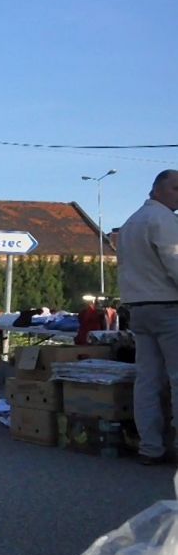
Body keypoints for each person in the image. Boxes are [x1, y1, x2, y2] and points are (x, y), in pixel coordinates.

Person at [116, 169, 178, 466]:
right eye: (176, 189)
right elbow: (175, 262)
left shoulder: (130, 223)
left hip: (138, 307)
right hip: (168, 306)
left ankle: (150, 448)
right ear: (157, 190)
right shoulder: (164, 220)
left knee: (147, 381)